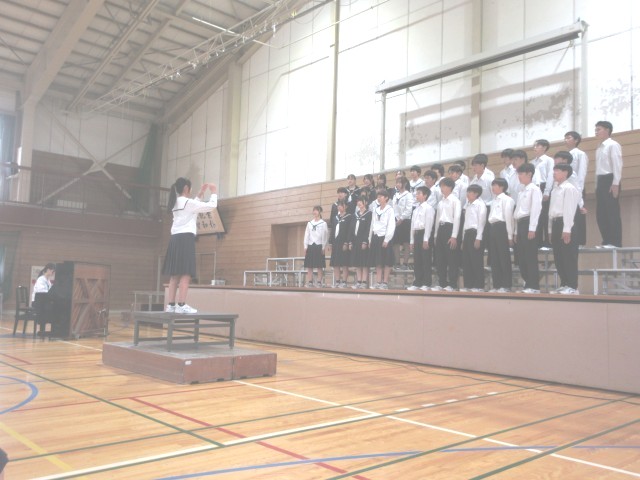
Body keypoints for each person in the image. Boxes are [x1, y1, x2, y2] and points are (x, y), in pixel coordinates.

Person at [162, 178, 218, 314]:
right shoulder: (187, 203)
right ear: (186, 188)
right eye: (190, 188)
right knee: (186, 273)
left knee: (174, 275)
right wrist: (214, 192)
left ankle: (171, 306)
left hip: (174, 239)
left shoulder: (175, 202)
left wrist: (200, 194)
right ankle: (181, 305)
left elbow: (191, 208)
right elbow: (211, 206)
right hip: (185, 239)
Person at [549, 164, 582, 294]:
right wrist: (550, 229)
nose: (554, 173)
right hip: (556, 222)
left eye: (557, 170)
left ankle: (572, 286)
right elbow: (551, 211)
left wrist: (567, 229)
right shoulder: (555, 189)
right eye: (554, 170)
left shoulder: (569, 188)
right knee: (559, 256)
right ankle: (564, 283)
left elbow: (569, 210)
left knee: (568, 255)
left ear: (565, 172)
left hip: (566, 223)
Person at [513, 163, 542, 293]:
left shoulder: (534, 189)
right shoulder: (521, 191)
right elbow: (517, 212)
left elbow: (536, 209)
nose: (519, 176)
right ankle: (527, 283)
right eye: (518, 174)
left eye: (521, 174)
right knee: (522, 256)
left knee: (530, 256)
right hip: (520, 224)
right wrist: (515, 231)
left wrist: (532, 228)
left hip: (528, 223)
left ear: (529, 174)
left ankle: (533, 286)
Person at [594, 120, 623, 248]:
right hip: (601, 181)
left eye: (598, 129)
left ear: (607, 130)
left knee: (612, 212)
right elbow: (598, 169)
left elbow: (617, 164)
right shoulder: (599, 147)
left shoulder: (613, 145)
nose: (596, 132)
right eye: (595, 129)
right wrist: (597, 185)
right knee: (601, 213)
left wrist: (616, 183)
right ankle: (606, 240)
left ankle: (615, 242)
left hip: (610, 179)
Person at [432, 177, 461, 292]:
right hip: (441, 229)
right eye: (440, 186)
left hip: (450, 228)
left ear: (449, 187)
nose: (441, 188)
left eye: (443, 186)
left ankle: (453, 284)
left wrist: (454, 236)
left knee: (452, 258)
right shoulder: (440, 202)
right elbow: (437, 219)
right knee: (440, 258)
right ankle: (442, 283)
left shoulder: (455, 201)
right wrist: (435, 235)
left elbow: (457, 218)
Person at [487, 178, 514, 293]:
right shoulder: (493, 201)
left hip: (502, 228)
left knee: (503, 257)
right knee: (494, 258)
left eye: (495, 185)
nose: (493, 188)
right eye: (492, 185)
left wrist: (510, 235)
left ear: (502, 187)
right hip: (493, 227)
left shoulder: (507, 199)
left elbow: (508, 217)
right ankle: (497, 285)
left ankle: (506, 285)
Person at [407, 186, 435, 291]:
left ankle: (426, 283)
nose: (416, 195)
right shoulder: (416, 209)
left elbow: (429, 224)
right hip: (417, 234)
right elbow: (412, 226)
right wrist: (411, 240)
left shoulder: (429, 208)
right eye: (416, 193)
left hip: (424, 234)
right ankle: (417, 282)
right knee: (417, 260)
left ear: (425, 195)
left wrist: (426, 239)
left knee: (426, 260)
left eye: (419, 193)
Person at [461, 184, 487, 292]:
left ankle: (479, 285)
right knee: (467, 260)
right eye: (467, 192)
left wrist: (478, 237)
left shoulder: (480, 204)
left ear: (476, 194)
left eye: (470, 192)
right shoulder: (467, 205)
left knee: (476, 260)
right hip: (467, 233)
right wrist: (463, 239)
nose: (467, 194)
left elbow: (482, 222)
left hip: (475, 233)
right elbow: (465, 223)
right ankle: (468, 285)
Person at [368, 189, 395, 289]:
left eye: (380, 197)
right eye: (377, 197)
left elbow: (391, 225)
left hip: (385, 237)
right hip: (376, 237)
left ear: (386, 198)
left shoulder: (390, 209)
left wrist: (387, 239)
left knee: (386, 261)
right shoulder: (375, 209)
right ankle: (378, 282)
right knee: (378, 261)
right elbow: (372, 224)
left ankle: (385, 282)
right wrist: (370, 238)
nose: (378, 198)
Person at [532, 139, 554, 248]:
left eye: (537, 146)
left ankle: (547, 241)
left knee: (545, 214)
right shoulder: (532, 162)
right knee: (537, 214)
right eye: (534, 146)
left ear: (544, 148)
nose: (534, 148)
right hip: (535, 187)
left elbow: (550, 175)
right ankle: (538, 241)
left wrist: (547, 191)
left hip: (544, 186)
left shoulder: (549, 160)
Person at [349, 197, 372, 289]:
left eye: (361, 201)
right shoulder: (355, 215)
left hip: (363, 240)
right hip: (355, 241)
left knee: (364, 263)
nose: (359, 203)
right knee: (358, 262)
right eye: (358, 201)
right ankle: (359, 281)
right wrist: (350, 242)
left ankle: (364, 282)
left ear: (365, 202)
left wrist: (365, 241)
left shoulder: (369, 214)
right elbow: (351, 229)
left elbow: (368, 228)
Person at [328, 200, 353, 288]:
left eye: (341, 205)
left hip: (343, 243)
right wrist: (330, 242)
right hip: (335, 243)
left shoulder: (349, 217)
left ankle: (344, 282)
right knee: (336, 263)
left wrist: (346, 242)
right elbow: (332, 231)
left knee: (344, 264)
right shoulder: (335, 217)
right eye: (338, 205)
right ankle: (337, 281)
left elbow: (350, 231)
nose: (339, 207)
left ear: (345, 206)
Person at [303, 206, 329, 287]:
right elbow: (306, 235)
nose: (314, 212)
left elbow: (325, 236)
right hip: (310, 245)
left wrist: (323, 247)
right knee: (309, 265)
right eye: (313, 210)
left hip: (319, 245)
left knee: (319, 265)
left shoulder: (323, 223)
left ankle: (319, 282)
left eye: (316, 210)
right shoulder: (309, 223)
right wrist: (305, 246)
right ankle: (310, 282)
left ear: (320, 212)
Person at [392, 176, 413, 270]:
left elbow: (408, 210)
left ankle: (405, 263)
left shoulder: (408, 195)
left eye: (400, 182)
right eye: (397, 182)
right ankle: (397, 262)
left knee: (406, 242)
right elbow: (393, 208)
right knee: (395, 243)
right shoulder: (395, 195)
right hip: (396, 221)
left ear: (405, 184)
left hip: (405, 221)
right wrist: (395, 219)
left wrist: (401, 219)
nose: (398, 184)